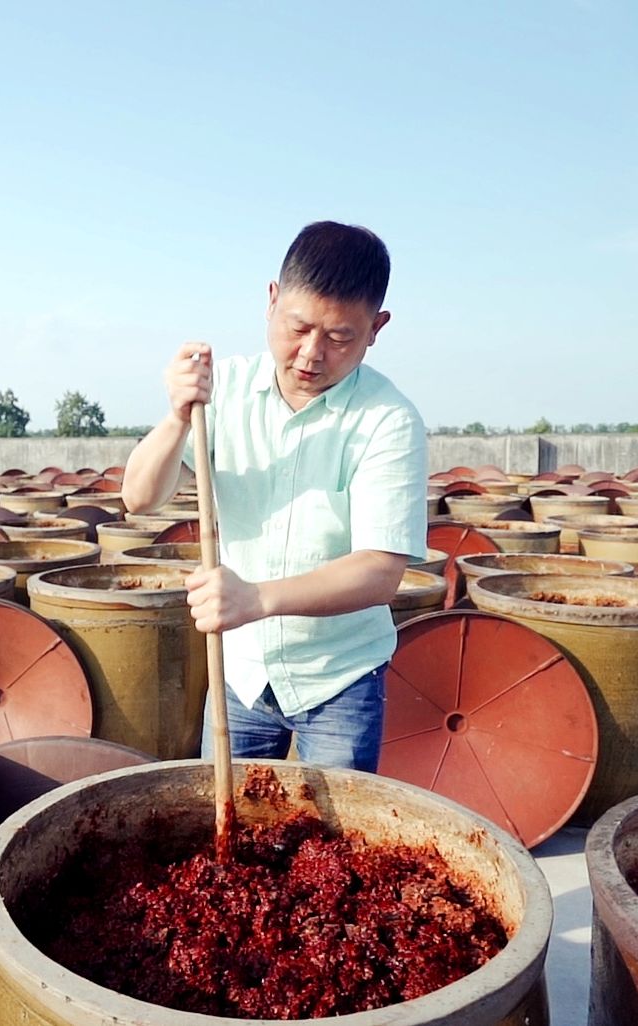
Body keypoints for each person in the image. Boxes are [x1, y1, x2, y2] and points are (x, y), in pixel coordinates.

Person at [122, 221, 427, 772]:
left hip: (339, 677)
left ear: (376, 328)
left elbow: (380, 570)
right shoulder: (224, 391)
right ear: (271, 301)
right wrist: (175, 417)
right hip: (238, 671)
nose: (311, 354)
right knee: (228, 833)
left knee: (329, 841)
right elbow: (139, 498)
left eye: (340, 338)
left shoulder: (389, 420)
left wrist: (257, 599)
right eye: (299, 327)